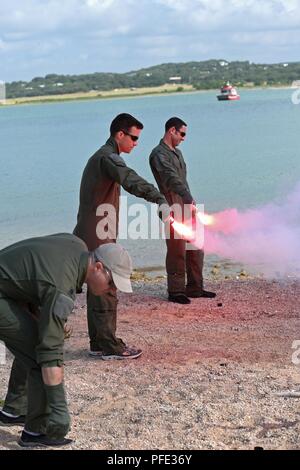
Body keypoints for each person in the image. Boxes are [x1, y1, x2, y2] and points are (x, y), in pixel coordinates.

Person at [0, 233, 133, 447]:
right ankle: (36, 431)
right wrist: (59, 409)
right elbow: (50, 352)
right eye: (112, 283)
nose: (112, 290)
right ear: (98, 267)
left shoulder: (77, 244)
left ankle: (14, 410)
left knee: (33, 343)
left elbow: (37, 268)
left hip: (11, 289)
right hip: (4, 294)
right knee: (38, 355)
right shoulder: (62, 288)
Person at [73, 113, 169, 359]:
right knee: (107, 285)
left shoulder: (102, 157)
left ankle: (98, 343)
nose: (136, 143)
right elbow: (130, 180)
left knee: (98, 288)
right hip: (98, 235)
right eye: (134, 138)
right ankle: (110, 347)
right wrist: (158, 198)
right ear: (120, 134)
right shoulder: (108, 158)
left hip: (91, 232)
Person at [149, 117, 216, 304]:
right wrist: (187, 197)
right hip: (171, 205)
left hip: (186, 204)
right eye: (182, 134)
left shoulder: (177, 153)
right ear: (172, 131)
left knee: (196, 246)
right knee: (177, 250)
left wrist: (190, 200)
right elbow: (170, 179)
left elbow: (183, 180)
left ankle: (195, 288)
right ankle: (176, 291)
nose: (184, 138)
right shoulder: (158, 154)